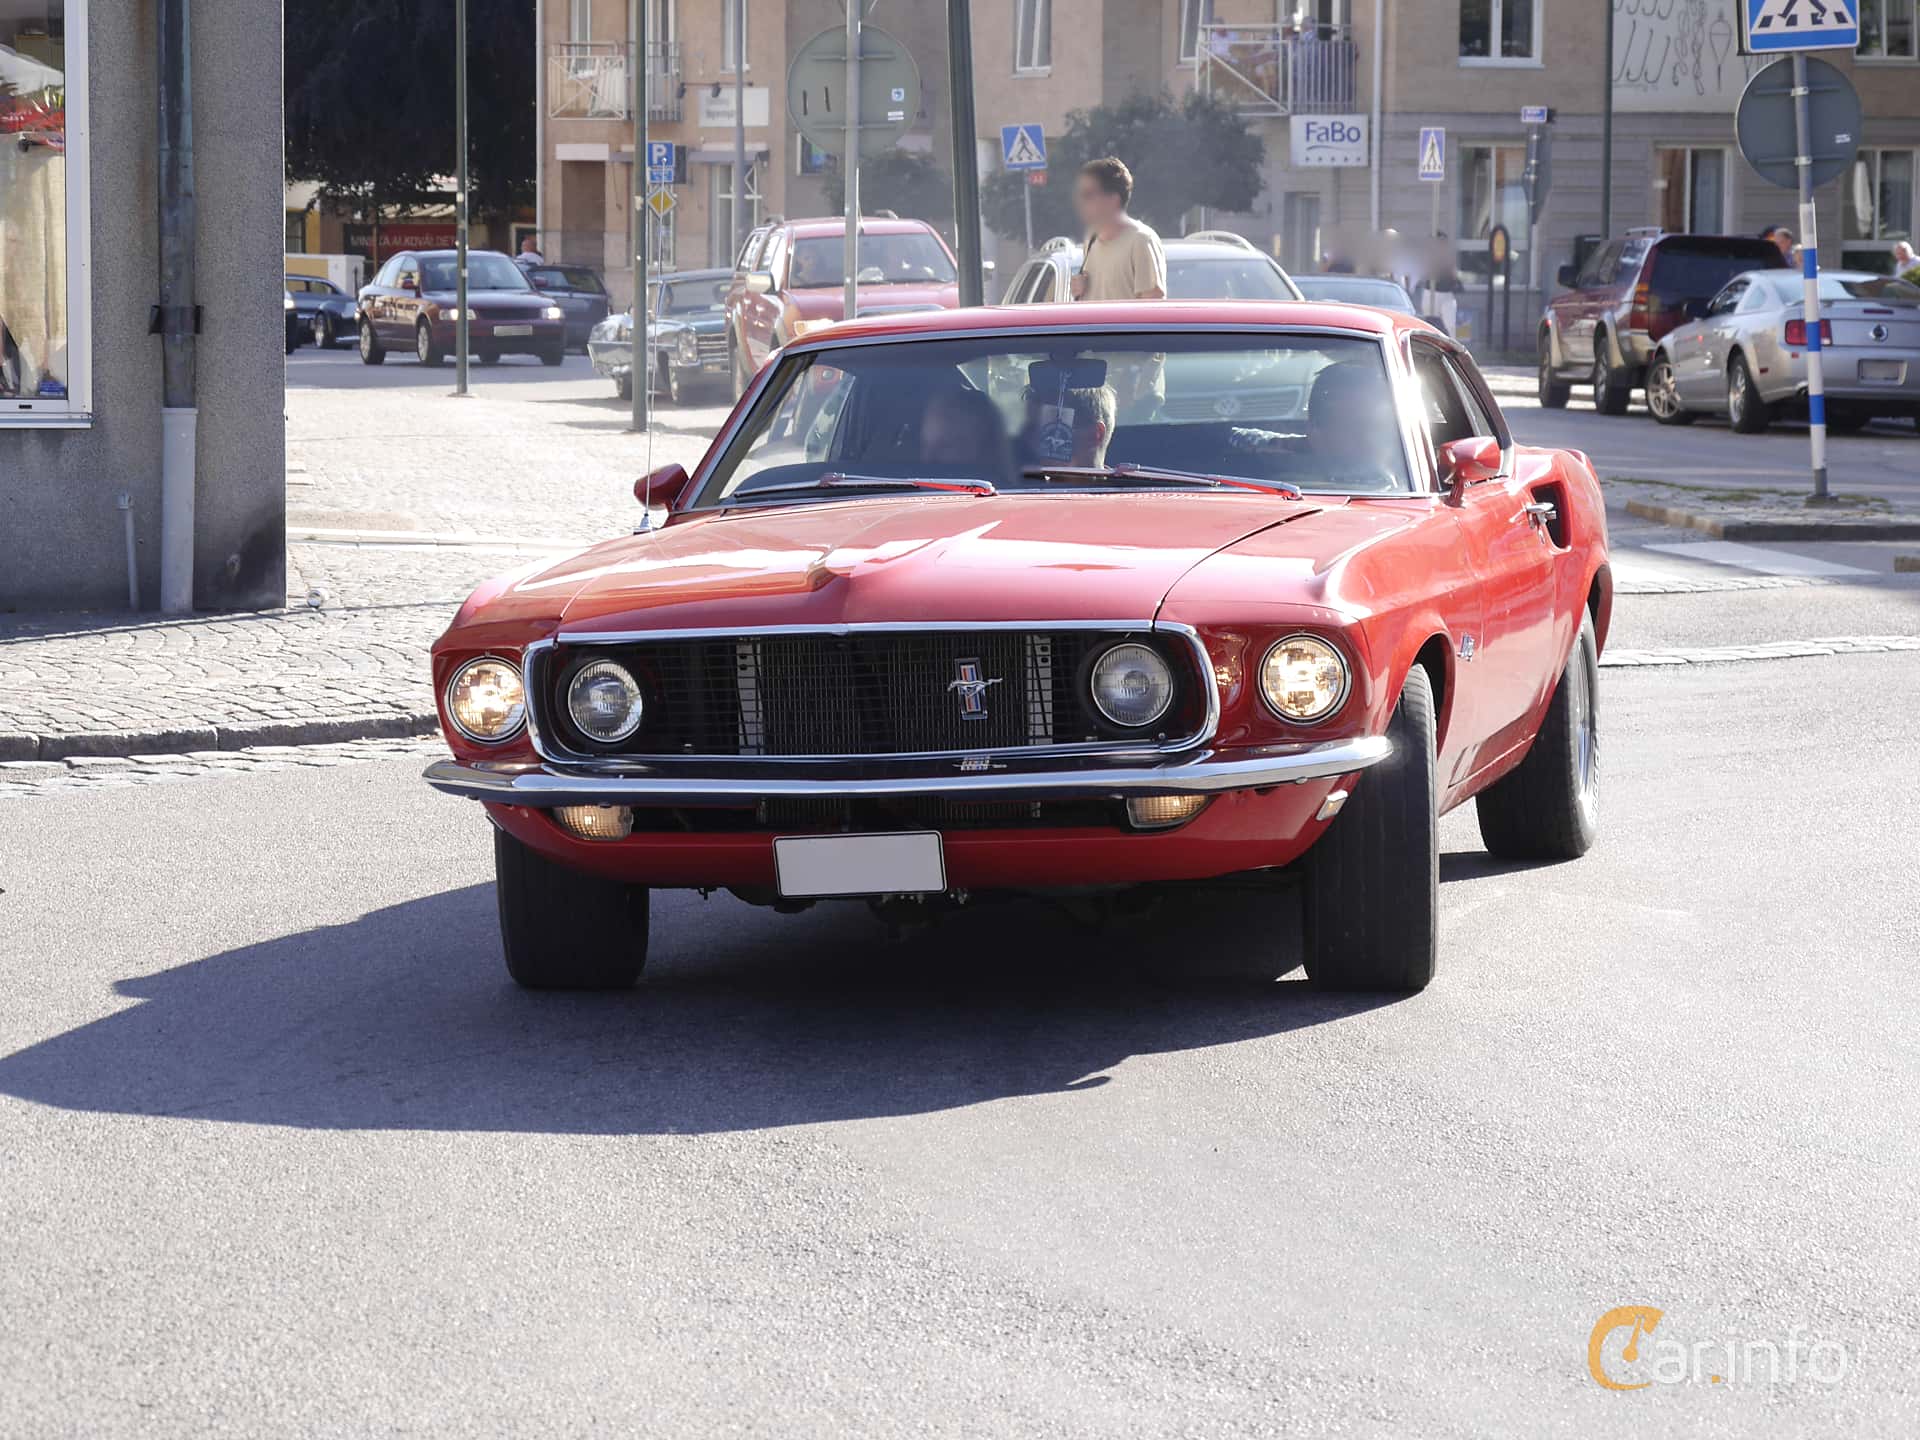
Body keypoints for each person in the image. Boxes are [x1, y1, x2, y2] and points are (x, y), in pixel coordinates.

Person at [1068, 158, 1166, 303]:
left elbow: (1152, 310)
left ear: (1113, 199)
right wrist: (1081, 292)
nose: (1081, 202)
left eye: (1089, 195)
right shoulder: (1091, 238)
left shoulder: (1141, 241)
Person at [919, 387, 1014, 476]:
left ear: (985, 446)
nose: (928, 458)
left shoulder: (1004, 491)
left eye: (945, 446)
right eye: (924, 444)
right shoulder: (912, 487)